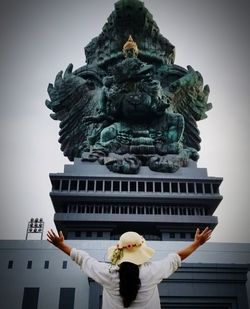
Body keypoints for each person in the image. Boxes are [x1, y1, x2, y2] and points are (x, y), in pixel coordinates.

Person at [47, 227, 212, 309]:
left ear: (118, 251)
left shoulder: (108, 273)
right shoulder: (152, 271)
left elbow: (82, 258)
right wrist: (197, 243)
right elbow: (177, 257)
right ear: (141, 250)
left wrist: (60, 245)